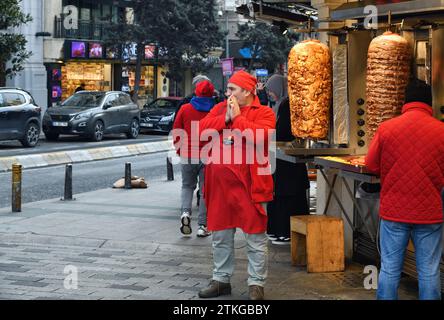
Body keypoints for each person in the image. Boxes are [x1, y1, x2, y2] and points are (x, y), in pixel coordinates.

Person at [198, 70, 276, 300]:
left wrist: (238, 118)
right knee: (220, 237)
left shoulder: (265, 112)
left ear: (248, 91)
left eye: (232, 89)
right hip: (220, 189)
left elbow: (259, 137)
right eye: (228, 88)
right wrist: (225, 119)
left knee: (255, 239)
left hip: (251, 187)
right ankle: (221, 280)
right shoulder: (221, 109)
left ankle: (256, 284)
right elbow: (201, 131)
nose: (227, 93)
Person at [365, 79, 444, 300]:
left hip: (394, 212)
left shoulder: (387, 128)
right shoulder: (442, 131)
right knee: (429, 271)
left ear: (405, 101)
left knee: (390, 269)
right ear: (430, 102)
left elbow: (371, 165)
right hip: (430, 213)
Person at [264, 74, 309, 245]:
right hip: (282, 159)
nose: (270, 93)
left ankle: (283, 231)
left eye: (271, 90)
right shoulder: (281, 104)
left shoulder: (287, 105)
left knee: (286, 195)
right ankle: (280, 230)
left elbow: (283, 131)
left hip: (287, 160)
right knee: (283, 195)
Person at [172, 80, 216, 238]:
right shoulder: (215, 110)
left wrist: (179, 149)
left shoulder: (185, 108)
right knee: (205, 190)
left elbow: (176, 130)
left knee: (187, 186)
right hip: (208, 155)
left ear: (196, 91)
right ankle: (203, 225)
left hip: (187, 153)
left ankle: (185, 213)